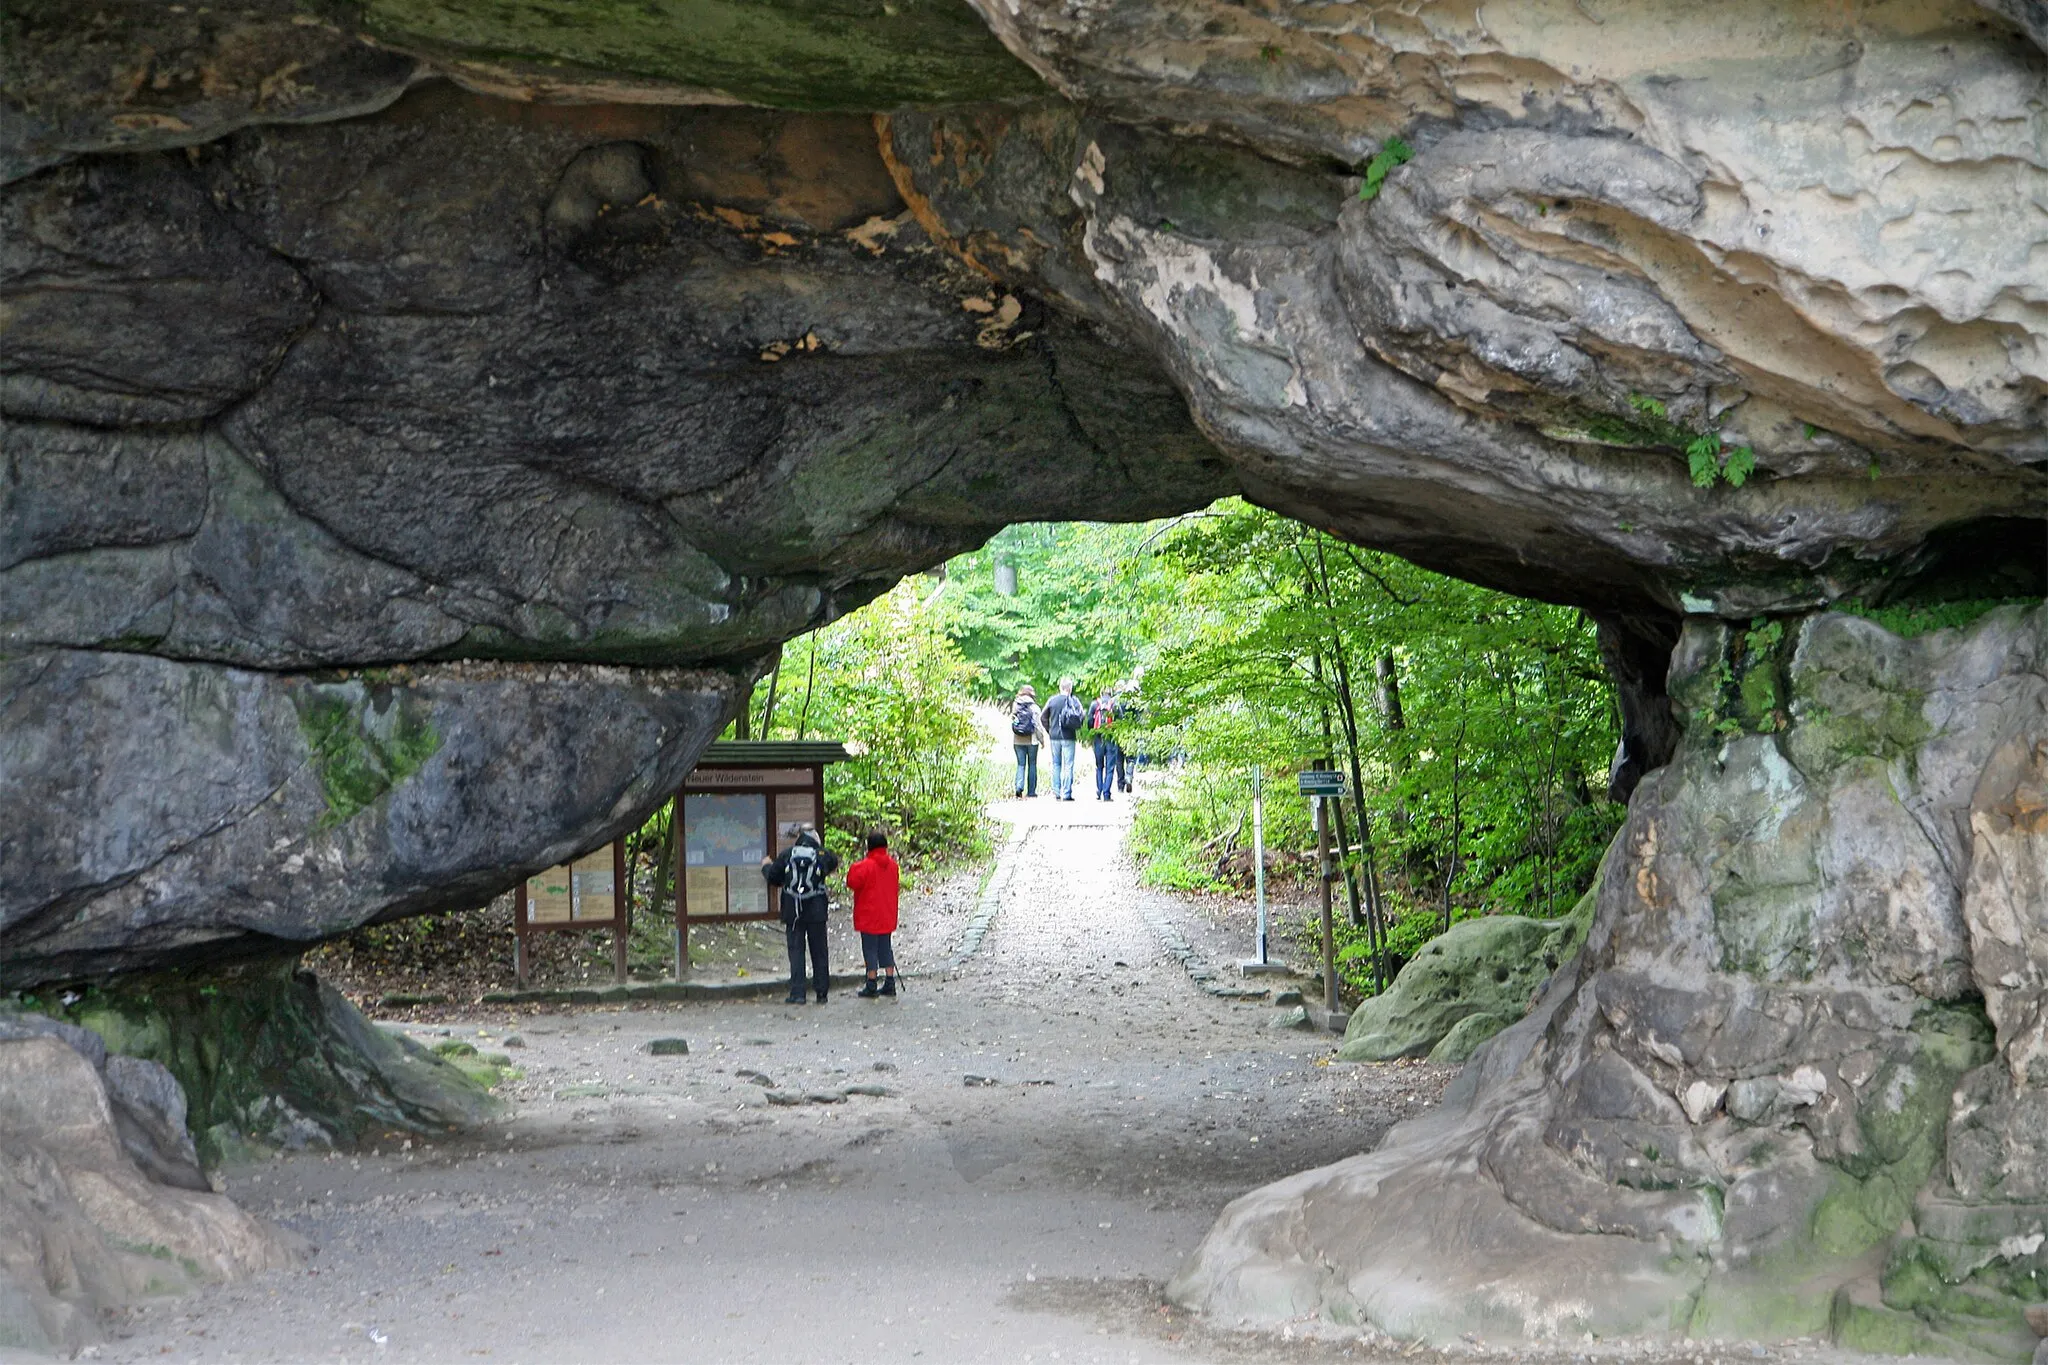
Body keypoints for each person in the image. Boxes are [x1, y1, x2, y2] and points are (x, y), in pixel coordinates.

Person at [761, 826, 839, 1004]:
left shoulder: (788, 854)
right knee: (819, 952)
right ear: (815, 839)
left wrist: (766, 866)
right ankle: (821, 993)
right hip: (817, 911)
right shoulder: (823, 855)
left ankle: (798, 993)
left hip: (793, 910)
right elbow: (833, 864)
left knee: (796, 951)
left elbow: (774, 877)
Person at [845, 829, 902, 998]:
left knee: (870, 948)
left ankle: (871, 983)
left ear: (868, 847)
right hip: (887, 913)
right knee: (886, 947)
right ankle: (890, 981)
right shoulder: (893, 866)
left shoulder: (863, 867)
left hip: (869, 915)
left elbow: (852, 882)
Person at [1041, 678, 1087, 801]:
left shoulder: (1052, 700)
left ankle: (1056, 791)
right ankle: (1067, 793)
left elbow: (1043, 717)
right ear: (1070, 688)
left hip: (1054, 737)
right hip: (1069, 737)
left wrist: (1049, 730)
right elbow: (1082, 715)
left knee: (1056, 764)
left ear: (1060, 687)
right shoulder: (1074, 701)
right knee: (1068, 765)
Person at [1009, 684, 1046, 797]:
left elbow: (1013, 721)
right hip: (1032, 740)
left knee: (1021, 764)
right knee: (1032, 764)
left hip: (1017, 740)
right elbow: (1038, 726)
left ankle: (1019, 787)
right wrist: (1042, 740)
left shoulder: (1015, 706)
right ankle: (1031, 792)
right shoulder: (1034, 708)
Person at [1088, 686, 1122, 801]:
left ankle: (1099, 790)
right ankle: (1106, 794)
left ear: (1101, 693)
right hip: (1110, 738)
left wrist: (1093, 733)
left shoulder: (1094, 705)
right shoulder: (1115, 705)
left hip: (1098, 738)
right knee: (1110, 767)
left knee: (1099, 766)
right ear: (1111, 694)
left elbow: (1089, 721)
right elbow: (1120, 722)